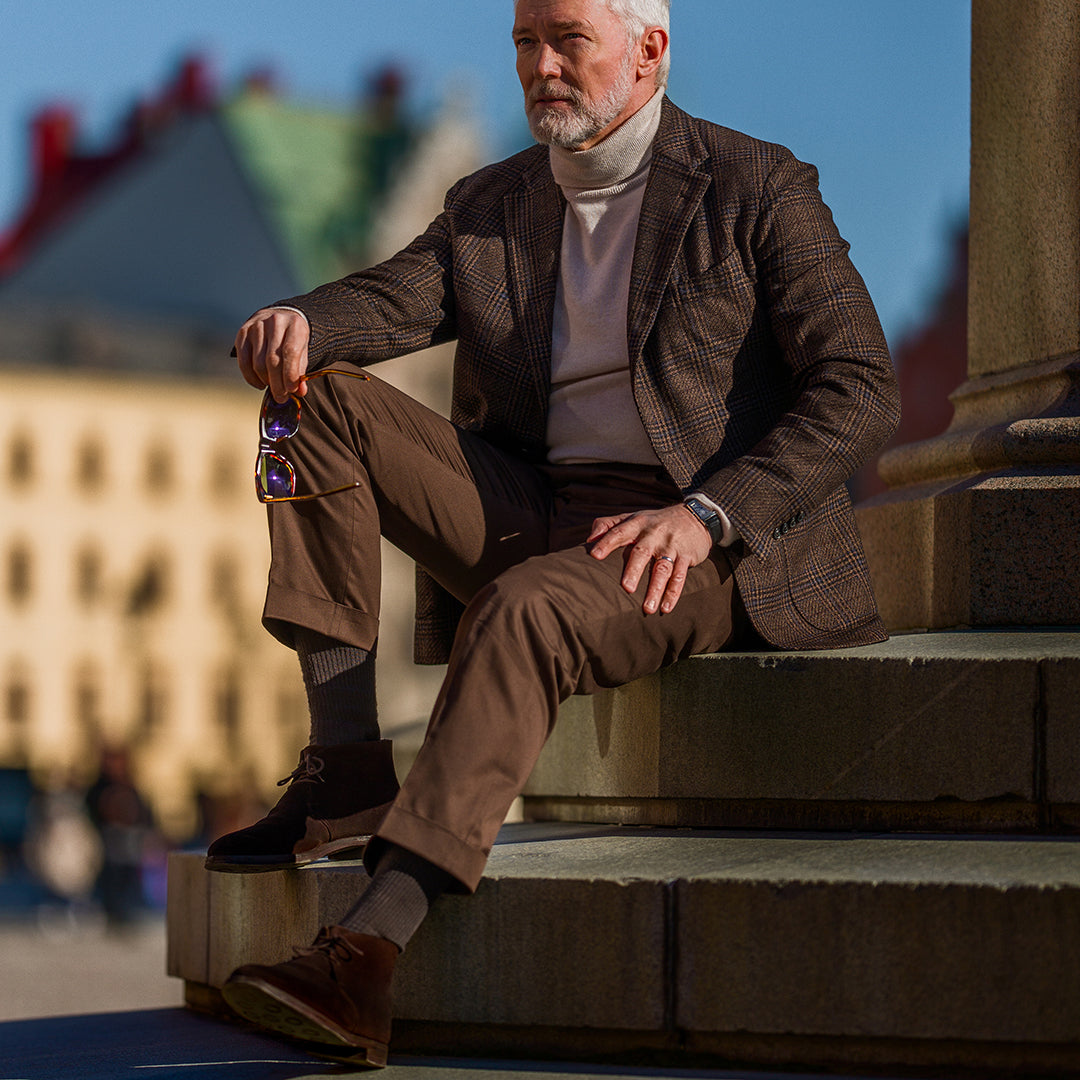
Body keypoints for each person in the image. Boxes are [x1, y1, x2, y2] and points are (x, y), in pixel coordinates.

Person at [215, 0, 900, 1065]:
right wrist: (307, 322)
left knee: (528, 608)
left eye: (567, 39)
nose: (541, 66)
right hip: (532, 505)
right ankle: (344, 765)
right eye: (525, 42)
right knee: (308, 402)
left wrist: (706, 514)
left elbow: (860, 386)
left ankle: (365, 956)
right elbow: (393, 299)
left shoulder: (758, 184)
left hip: (696, 538)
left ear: (649, 49)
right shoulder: (492, 203)